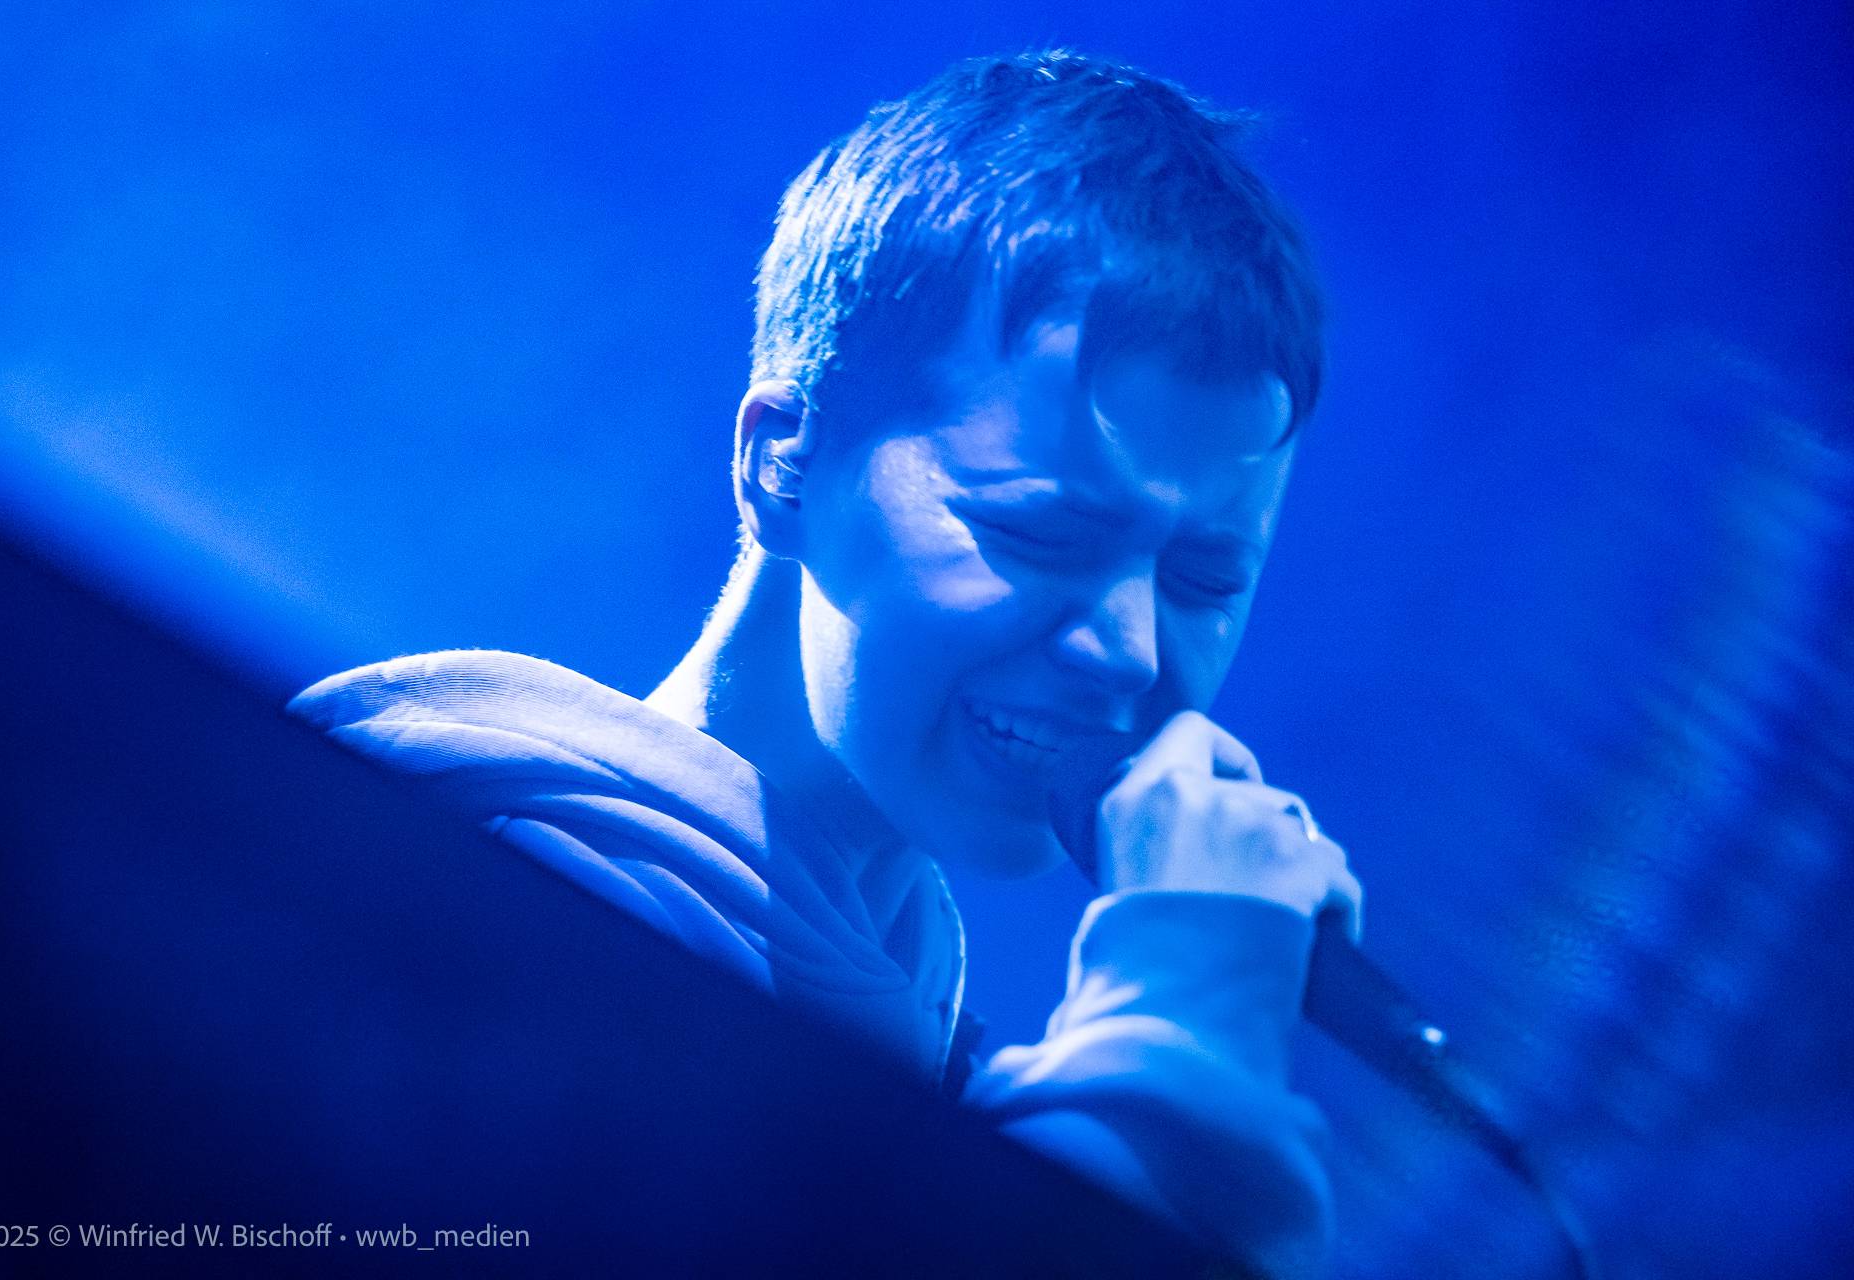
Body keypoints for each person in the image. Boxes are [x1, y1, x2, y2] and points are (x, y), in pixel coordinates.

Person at [290, 49, 1361, 1278]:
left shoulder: (928, 1058)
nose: (1127, 650)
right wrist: (1181, 1051)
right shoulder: (476, 908)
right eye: (1039, 533)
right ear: (784, 463)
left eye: (1203, 581)